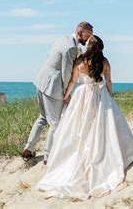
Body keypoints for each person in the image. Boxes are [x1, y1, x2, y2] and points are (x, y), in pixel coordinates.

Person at [36, 35, 133, 200]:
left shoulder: (80, 62)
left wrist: (66, 96)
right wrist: (109, 96)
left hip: (82, 95)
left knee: (78, 127)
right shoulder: (104, 62)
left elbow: (72, 81)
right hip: (99, 94)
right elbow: (109, 80)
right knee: (103, 125)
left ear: (88, 46)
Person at [22, 22, 93, 165]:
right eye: (87, 35)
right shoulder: (71, 48)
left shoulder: (63, 39)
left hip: (42, 81)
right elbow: (66, 73)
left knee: (42, 117)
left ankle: (28, 148)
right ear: (80, 32)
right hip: (52, 87)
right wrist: (66, 94)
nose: (89, 38)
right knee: (55, 123)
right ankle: (48, 156)